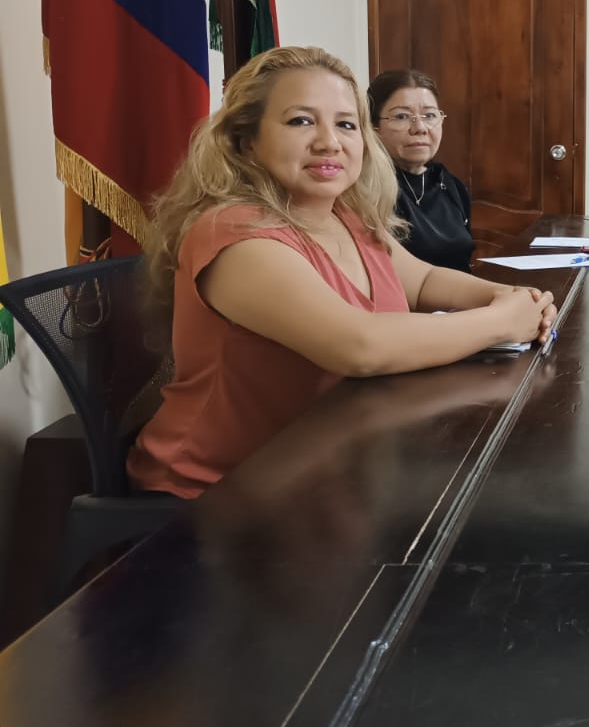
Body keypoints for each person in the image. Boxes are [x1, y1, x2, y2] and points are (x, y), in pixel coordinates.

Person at [128, 46, 557, 499]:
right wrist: (501, 322)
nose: (329, 142)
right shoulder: (234, 233)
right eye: (301, 121)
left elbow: (424, 281)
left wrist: (510, 296)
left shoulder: (345, 215)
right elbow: (359, 347)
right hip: (218, 495)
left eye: (346, 124)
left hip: (327, 471)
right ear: (245, 140)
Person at [369, 69, 474, 271]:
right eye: (401, 116)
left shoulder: (451, 185)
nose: (420, 128)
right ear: (373, 127)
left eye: (429, 115)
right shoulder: (367, 191)